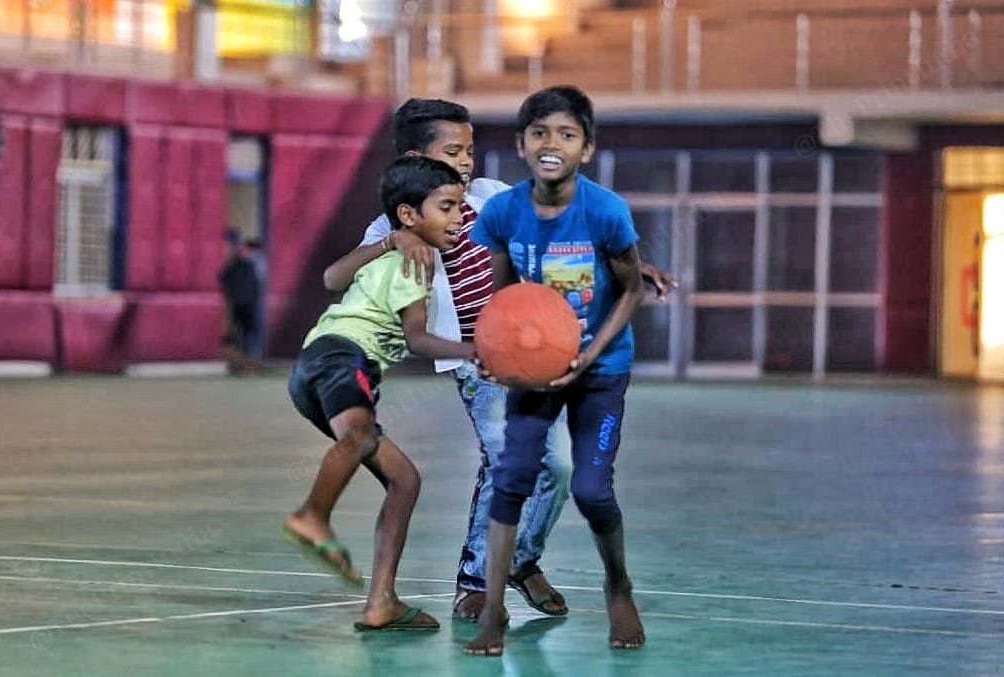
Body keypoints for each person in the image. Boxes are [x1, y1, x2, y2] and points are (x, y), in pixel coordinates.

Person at [323, 98, 676, 623]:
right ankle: (473, 581)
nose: (467, 161)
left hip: (535, 352)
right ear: (417, 157)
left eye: (470, 149)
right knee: (509, 459)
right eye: (453, 151)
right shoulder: (394, 225)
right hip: (477, 365)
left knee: (560, 465)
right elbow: (335, 277)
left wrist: (626, 264)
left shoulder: (492, 197)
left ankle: (522, 559)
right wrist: (391, 242)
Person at [464, 85, 646, 656]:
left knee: (591, 489)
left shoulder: (606, 211)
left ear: (585, 149)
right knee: (511, 478)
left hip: (599, 369)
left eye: (566, 134)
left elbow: (632, 290)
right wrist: (499, 356)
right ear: (521, 144)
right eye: (540, 133)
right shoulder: (502, 213)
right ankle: (493, 609)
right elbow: (502, 296)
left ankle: (618, 584)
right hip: (534, 372)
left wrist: (589, 357)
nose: (552, 144)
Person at [282, 155, 475, 632]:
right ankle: (313, 514)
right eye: (447, 207)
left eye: (460, 207)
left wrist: (386, 241)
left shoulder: (393, 252)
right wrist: (476, 349)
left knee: (404, 480)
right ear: (409, 215)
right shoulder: (414, 259)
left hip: (313, 367)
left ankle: (381, 603)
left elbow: (330, 279)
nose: (457, 218)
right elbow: (417, 340)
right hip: (344, 358)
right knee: (362, 436)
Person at [218, 229, 262, 376]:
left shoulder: (242, 267)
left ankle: (247, 366)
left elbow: (252, 288)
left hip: (243, 308)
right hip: (239, 308)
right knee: (235, 339)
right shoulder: (230, 268)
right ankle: (240, 366)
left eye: (228, 246)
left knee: (245, 339)